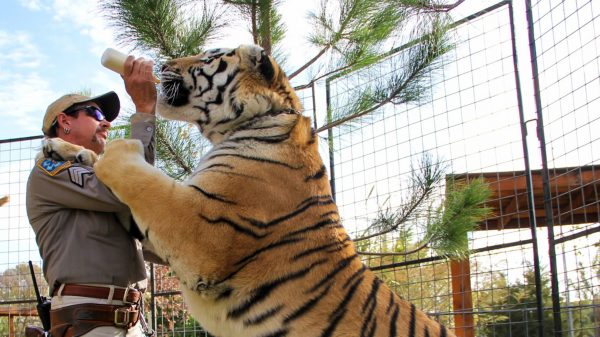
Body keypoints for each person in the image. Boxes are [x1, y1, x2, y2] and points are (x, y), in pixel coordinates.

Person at [26, 55, 159, 337]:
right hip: (90, 317)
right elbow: (129, 189)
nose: (107, 123)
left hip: (128, 319)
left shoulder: (95, 179)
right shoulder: (51, 170)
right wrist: (145, 110)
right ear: (65, 122)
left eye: (108, 117)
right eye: (96, 114)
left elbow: (148, 236)